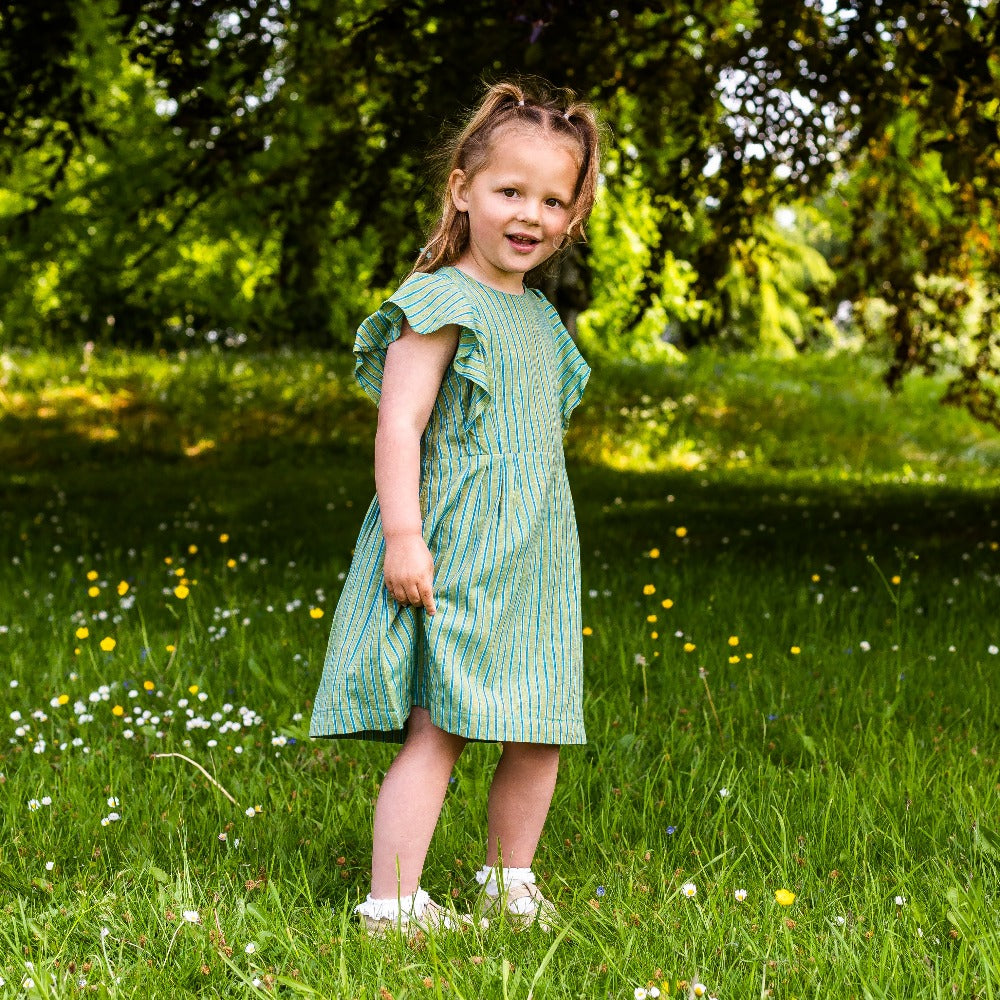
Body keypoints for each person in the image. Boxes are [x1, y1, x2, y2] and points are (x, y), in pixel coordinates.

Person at [309, 77, 601, 937]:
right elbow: (399, 424)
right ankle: (393, 902)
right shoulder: (437, 303)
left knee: (539, 726)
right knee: (441, 729)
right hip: (461, 545)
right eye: (511, 190)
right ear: (463, 189)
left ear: (571, 217)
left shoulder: (542, 319)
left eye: (553, 200)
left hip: (537, 556)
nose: (530, 215)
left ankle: (509, 881)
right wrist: (405, 534)